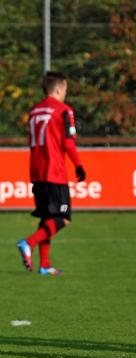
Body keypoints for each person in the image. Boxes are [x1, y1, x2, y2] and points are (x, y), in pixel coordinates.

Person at [16, 71, 86, 276]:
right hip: (54, 172)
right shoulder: (63, 110)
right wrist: (79, 165)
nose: (66, 92)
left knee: (47, 217)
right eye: (65, 88)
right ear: (58, 88)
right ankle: (28, 243)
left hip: (37, 171)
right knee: (63, 217)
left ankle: (44, 265)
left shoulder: (34, 111)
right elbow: (68, 142)